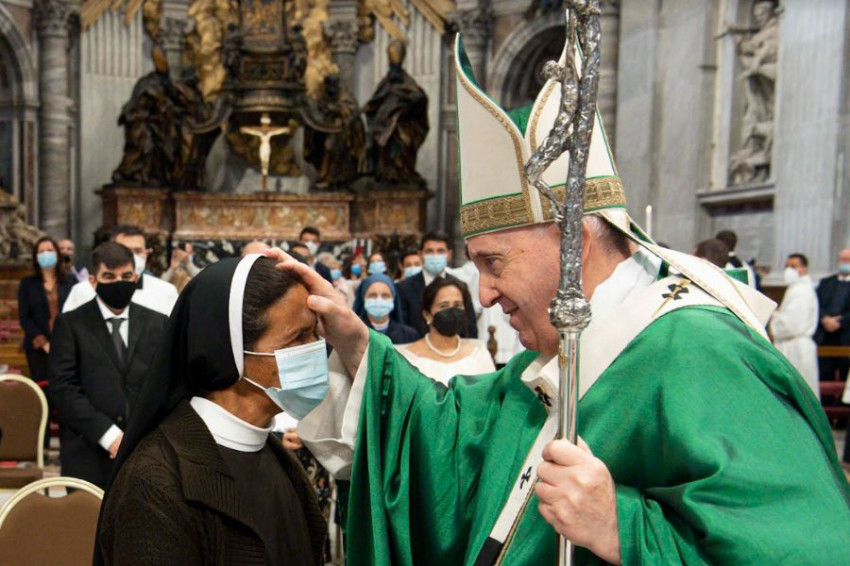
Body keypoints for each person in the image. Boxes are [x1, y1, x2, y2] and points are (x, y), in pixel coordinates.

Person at [289, 37, 849, 565]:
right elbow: (457, 433)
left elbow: (809, 549)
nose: (483, 294)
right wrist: (360, 347)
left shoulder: (699, 353)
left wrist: (623, 530)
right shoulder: (563, 350)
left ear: (574, 244)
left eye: (494, 263)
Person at [97, 255, 327, 564]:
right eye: (298, 337)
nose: (315, 349)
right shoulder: (154, 482)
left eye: (315, 334)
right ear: (230, 353)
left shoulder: (278, 459)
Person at [49, 242, 168, 487]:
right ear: (93, 281)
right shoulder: (70, 324)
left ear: (136, 278)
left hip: (146, 450)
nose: (119, 283)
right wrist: (109, 435)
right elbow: (63, 388)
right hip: (88, 451)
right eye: (109, 277)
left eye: (126, 276)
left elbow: (167, 381)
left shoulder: (158, 323)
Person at [62, 225, 179, 316]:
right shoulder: (83, 290)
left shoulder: (165, 291)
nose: (133, 257)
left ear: (146, 253)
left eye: (138, 251)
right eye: (125, 250)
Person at [395, 278, 494, 384]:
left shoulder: (478, 352)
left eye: (458, 305)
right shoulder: (407, 358)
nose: (452, 311)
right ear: (427, 315)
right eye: (443, 306)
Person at [396, 231, 478, 338]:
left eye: (440, 251)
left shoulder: (460, 287)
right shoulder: (403, 288)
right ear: (420, 255)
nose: (435, 256)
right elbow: (401, 328)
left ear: (449, 255)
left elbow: (470, 328)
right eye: (429, 251)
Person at [18, 237, 73, 389]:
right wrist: (43, 343)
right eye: (41, 251)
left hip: (66, 345)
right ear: (36, 257)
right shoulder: (27, 283)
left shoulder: (70, 281)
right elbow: (24, 317)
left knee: (66, 387)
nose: (46, 254)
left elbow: (76, 312)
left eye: (49, 250)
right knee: (43, 390)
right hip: (38, 347)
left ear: (57, 254)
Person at [769, 253, 819, 398]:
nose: (788, 270)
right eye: (787, 266)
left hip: (796, 348)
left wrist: (774, 317)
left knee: (798, 394)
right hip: (791, 345)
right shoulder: (796, 288)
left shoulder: (801, 290)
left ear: (804, 269)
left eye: (793, 266)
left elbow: (791, 325)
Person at [815, 247, 850, 384]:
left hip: (846, 336)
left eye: (848, 260)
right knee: (824, 375)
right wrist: (825, 319)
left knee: (845, 377)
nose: (844, 262)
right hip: (824, 336)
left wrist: (841, 322)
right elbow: (816, 304)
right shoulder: (826, 283)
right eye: (842, 259)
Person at [354, 273, 418, 345]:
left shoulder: (409, 335)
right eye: (372, 295)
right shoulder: (353, 333)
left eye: (385, 295)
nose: (379, 300)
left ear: (393, 299)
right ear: (363, 299)